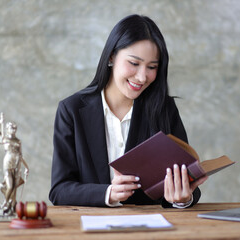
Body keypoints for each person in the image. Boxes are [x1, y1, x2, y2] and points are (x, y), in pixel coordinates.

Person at [49, 14, 208, 208]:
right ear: (111, 56)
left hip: (152, 230)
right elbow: (59, 190)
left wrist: (184, 199)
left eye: (151, 67)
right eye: (134, 63)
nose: (142, 77)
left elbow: (187, 179)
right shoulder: (72, 110)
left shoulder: (164, 110)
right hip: (91, 229)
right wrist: (109, 193)